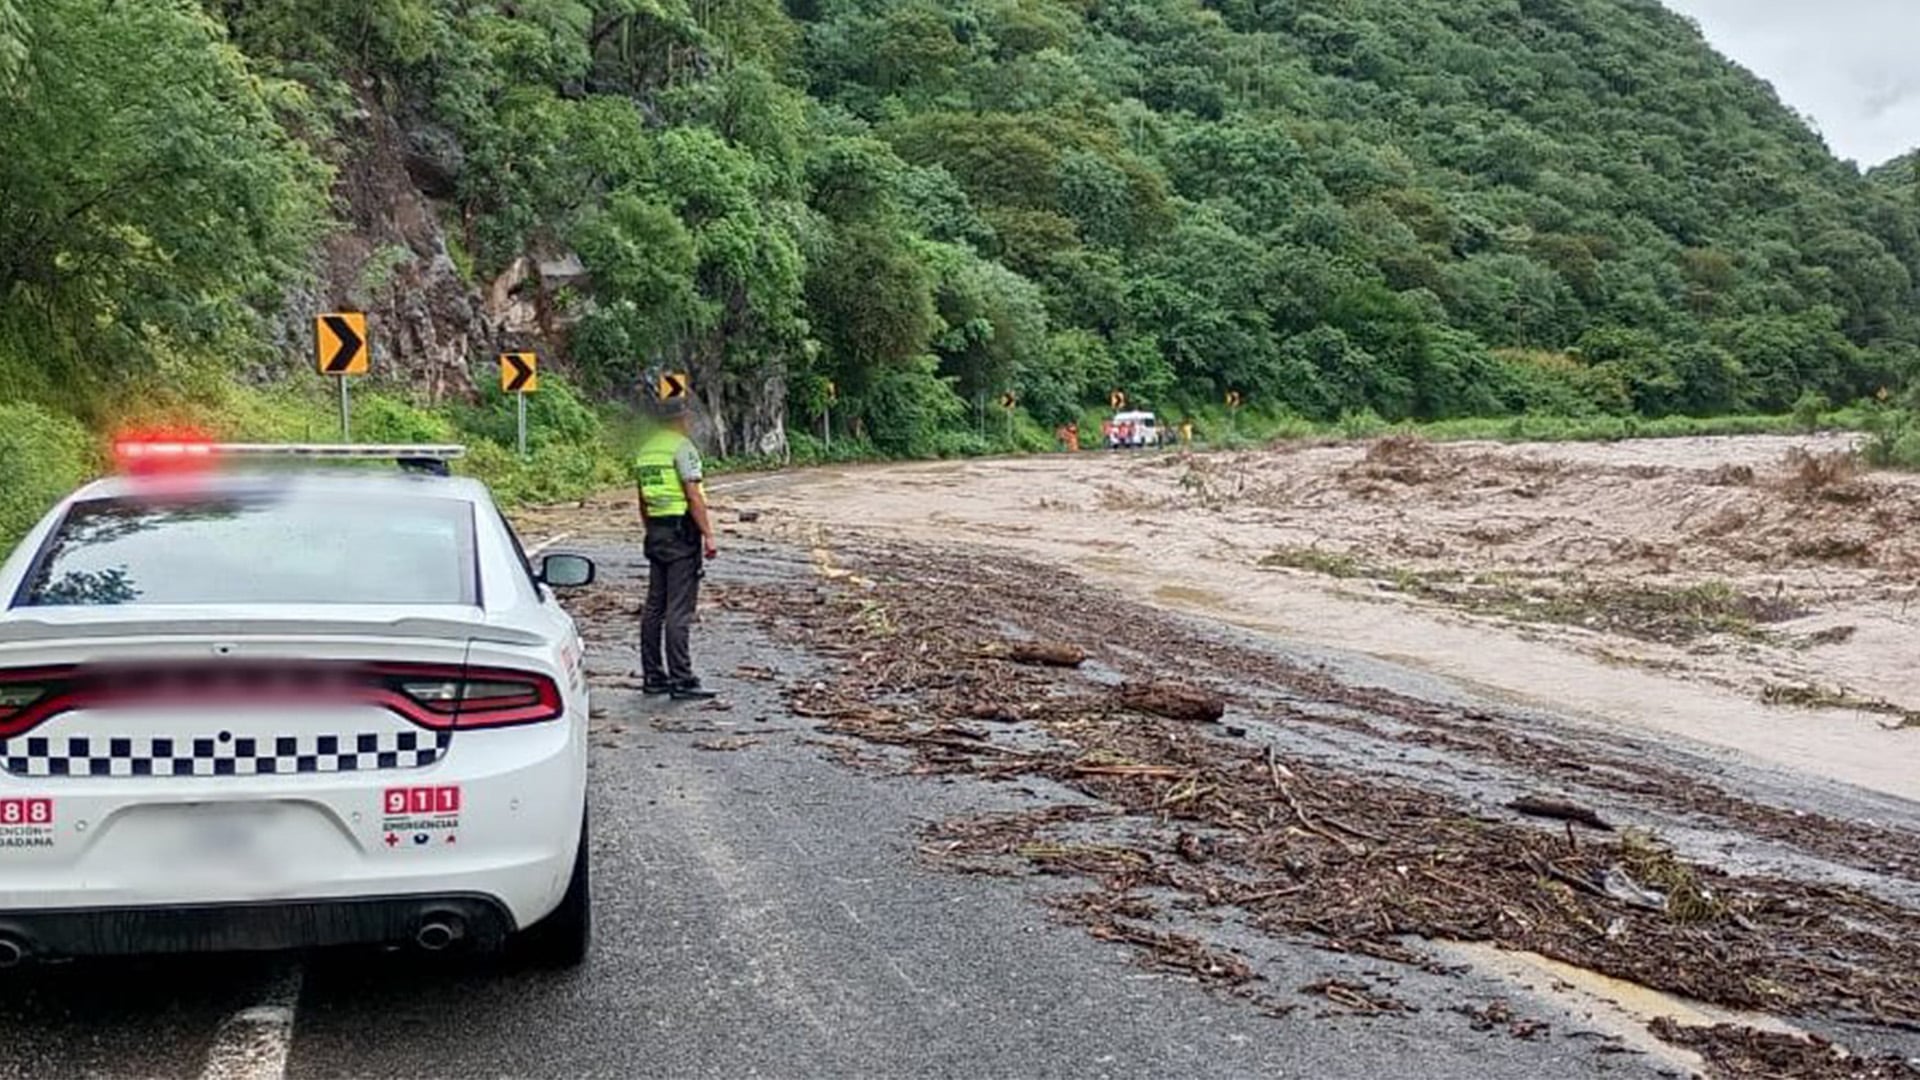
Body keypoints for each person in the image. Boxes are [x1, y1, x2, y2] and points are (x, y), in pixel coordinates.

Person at [634, 390, 718, 700]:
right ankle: (682, 679)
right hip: (681, 532)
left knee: (654, 607)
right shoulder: (682, 448)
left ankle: (653, 676)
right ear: (681, 419)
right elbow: (693, 495)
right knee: (679, 609)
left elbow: (642, 499)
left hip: (656, 530)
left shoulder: (646, 451)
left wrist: (651, 530)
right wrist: (707, 534)